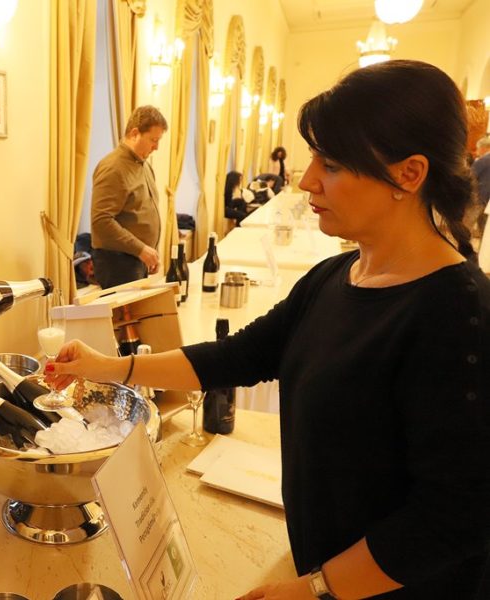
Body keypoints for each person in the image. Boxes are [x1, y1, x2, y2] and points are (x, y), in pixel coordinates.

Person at [48, 61, 490, 599]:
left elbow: (455, 514)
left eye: (331, 164)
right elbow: (237, 355)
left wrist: (316, 589)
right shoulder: (334, 276)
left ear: (409, 174)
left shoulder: (459, 312)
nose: (306, 180)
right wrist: (107, 367)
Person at [90, 105, 167, 288]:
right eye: (153, 140)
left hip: (138, 258)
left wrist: (150, 252)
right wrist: (141, 249)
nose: (156, 147)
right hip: (118, 263)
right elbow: (101, 221)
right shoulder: (113, 168)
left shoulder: (144, 165)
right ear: (134, 134)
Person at [471, 135, 490, 206]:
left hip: (480, 197)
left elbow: (470, 176)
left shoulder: (483, 160)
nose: (477, 152)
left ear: (483, 148)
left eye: (477, 149)